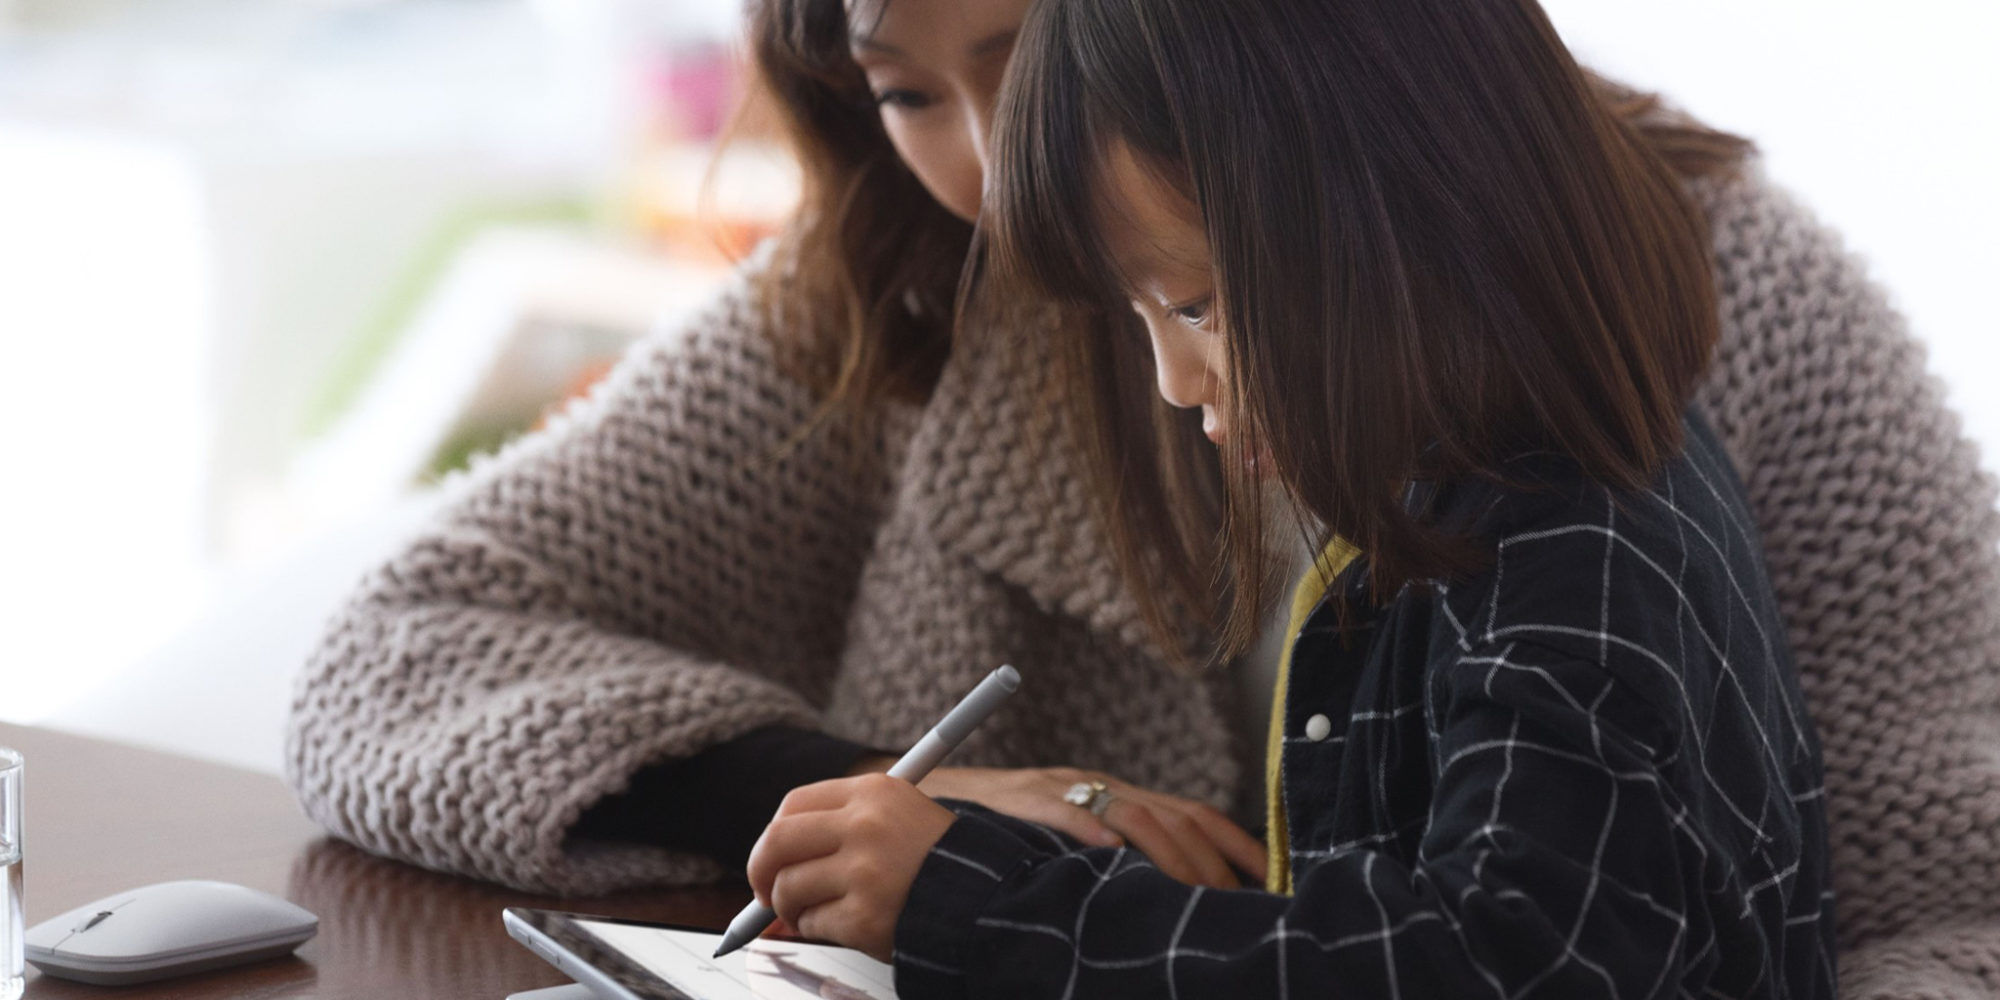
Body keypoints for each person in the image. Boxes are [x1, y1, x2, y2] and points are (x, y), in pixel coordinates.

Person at [284, 0, 2000, 992]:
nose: (977, 154)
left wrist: (978, 894)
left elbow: (1509, 951)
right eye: (897, 83)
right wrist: (902, 808)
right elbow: (404, 654)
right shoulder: (905, 293)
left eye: (1034, 40)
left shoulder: (1611, 438)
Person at [741, 0, 1838, 996]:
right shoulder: (1439, 506)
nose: (1172, 383)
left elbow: (1498, 959)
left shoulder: (1580, 548)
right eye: (1142, 314)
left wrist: (978, 907)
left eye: (1201, 306)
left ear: (1416, 208)